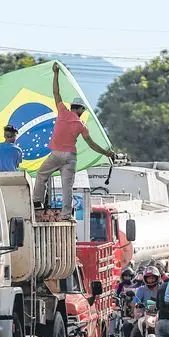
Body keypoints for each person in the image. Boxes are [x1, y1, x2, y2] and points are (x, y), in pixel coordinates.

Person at [33, 62, 115, 219]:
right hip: (70, 156)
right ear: (82, 110)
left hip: (56, 154)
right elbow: (92, 145)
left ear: (72, 107)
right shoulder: (81, 125)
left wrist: (56, 74)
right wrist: (107, 153)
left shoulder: (63, 112)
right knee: (67, 187)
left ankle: (37, 201)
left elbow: (56, 92)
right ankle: (65, 214)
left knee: (41, 175)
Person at [123, 266, 162, 337]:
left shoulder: (161, 289)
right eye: (148, 278)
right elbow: (135, 303)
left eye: (152, 278)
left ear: (157, 278)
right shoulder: (141, 290)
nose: (150, 280)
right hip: (143, 318)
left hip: (158, 318)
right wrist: (137, 309)